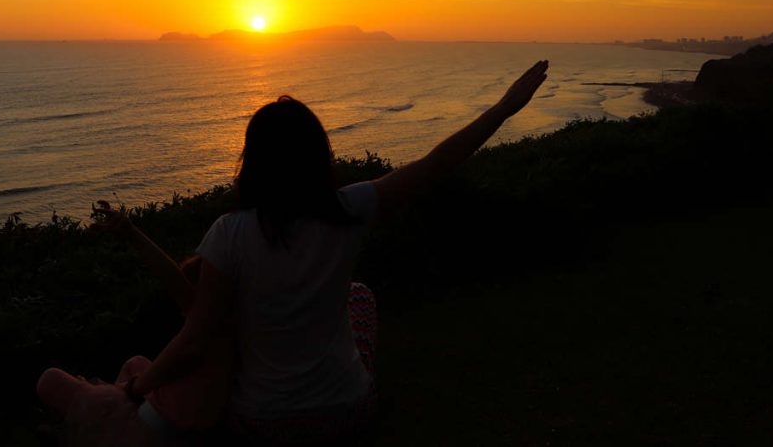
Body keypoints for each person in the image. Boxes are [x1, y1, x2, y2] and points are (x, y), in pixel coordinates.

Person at [121, 60, 550, 445]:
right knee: (358, 296)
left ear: (254, 161)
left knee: (349, 296)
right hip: (347, 412)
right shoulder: (348, 209)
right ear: (317, 154)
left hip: (261, 422)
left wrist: (136, 389)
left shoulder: (228, 234)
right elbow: (435, 163)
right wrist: (504, 107)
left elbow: (196, 338)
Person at [37, 202, 234, 446]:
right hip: (168, 407)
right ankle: (91, 410)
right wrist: (130, 231)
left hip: (152, 424)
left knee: (50, 379)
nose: (183, 311)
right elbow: (177, 283)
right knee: (135, 362)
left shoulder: (208, 331)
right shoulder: (237, 322)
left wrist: (128, 390)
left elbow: (174, 285)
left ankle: (84, 424)